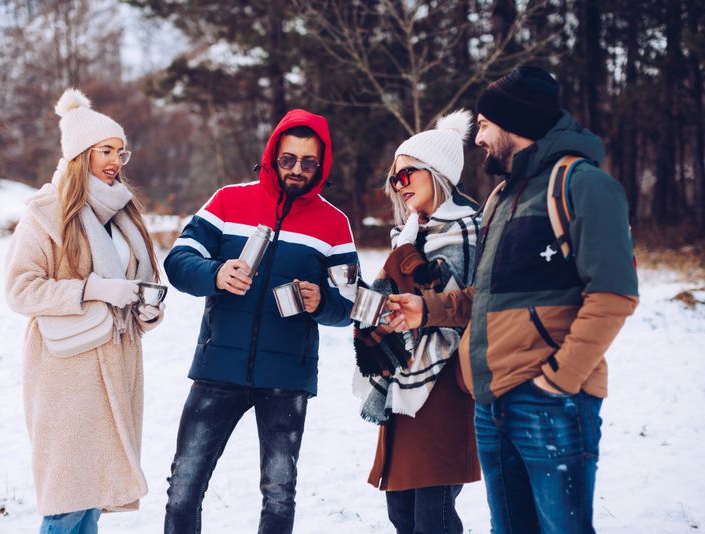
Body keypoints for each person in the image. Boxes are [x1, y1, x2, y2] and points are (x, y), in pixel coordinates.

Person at [386, 66, 640, 534]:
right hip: (491, 401)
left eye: (484, 124)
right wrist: (428, 309)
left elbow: (614, 295)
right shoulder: (503, 197)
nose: (478, 136)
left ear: (513, 123)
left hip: (550, 402)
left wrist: (560, 381)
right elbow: (483, 294)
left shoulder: (584, 186)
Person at [162, 109, 358, 534]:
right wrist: (215, 273)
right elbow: (178, 261)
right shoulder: (229, 201)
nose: (297, 170)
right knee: (184, 486)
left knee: (279, 491)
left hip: (286, 378)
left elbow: (351, 302)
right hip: (218, 369)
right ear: (272, 155)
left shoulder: (334, 224)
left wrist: (322, 300)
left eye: (309, 162)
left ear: (321, 165)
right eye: (289, 159)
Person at [4, 88, 164, 533]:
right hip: (67, 373)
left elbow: (139, 283)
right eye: (105, 151)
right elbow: (20, 289)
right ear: (80, 156)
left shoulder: (124, 214)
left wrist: (145, 310)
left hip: (117, 364)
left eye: (120, 151)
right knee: (68, 499)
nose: (115, 160)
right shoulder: (46, 213)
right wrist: (93, 289)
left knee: (90, 498)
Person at [352, 110, 481, 534]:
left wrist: (405, 259)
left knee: (434, 513)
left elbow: (452, 299)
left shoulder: (469, 228)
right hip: (403, 381)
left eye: (407, 174)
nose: (399, 185)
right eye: (395, 178)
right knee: (401, 513)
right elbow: (382, 300)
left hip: (447, 382)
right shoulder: (409, 234)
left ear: (437, 173)